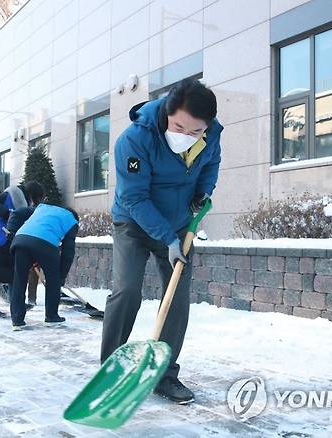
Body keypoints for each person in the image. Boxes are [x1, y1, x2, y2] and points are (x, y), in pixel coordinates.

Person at [101, 78, 222, 404]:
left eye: (195, 131)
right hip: (134, 223)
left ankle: (165, 376)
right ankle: (110, 372)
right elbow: (135, 198)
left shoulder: (210, 133)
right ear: (168, 112)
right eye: (179, 126)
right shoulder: (135, 140)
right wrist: (167, 238)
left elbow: (211, 163)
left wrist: (203, 192)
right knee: (127, 291)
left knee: (177, 301)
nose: (186, 136)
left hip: (180, 225)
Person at [0, 182, 43, 317]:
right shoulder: (9, 195)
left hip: (8, 241)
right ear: (31, 195)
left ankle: (16, 305)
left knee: (12, 275)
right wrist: (8, 214)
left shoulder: (24, 205)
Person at [7, 203, 79, 329]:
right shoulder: (72, 221)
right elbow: (68, 252)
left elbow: (18, 213)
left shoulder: (42, 208)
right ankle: (51, 316)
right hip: (46, 244)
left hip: (20, 240)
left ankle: (17, 320)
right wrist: (61, 276)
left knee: (19, 279)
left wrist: (12, 230)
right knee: (53, 280)